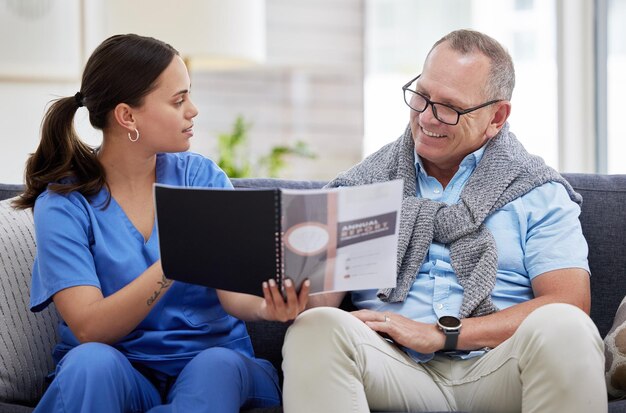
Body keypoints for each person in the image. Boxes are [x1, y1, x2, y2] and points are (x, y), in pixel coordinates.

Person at [282, 29, 607, 413]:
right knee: (314, 328)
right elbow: (316, 300)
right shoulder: (360, 187)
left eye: (449, 107)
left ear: (496, 116)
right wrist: (292, 288)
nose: (426, 117)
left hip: (498, 367)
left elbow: (569, 301)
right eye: (421, 96)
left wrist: (442, 335)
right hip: (393, 366)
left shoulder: (537, 190)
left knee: (566, 327)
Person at [14, 33, 308, 413]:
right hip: (122, 374)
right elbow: (89, 328)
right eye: (178, 100)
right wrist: (174, 262)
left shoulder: (202, 179)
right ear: (127, 116)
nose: (193, 110)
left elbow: (233, 293)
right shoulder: (64, 205)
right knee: (91, 363)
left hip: (213, 365)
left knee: (214, 366)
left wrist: (271, 309)